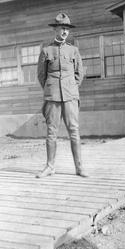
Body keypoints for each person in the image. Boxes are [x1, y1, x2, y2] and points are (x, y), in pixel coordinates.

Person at [36, 12, 87, 178]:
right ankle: (50, 166)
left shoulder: (73, 50)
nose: (65, 31)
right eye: (62, 28)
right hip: (52, 97)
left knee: (74, 130)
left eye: (67, 29)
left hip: (70, 96)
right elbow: (41, 75)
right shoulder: (46, 50)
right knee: (51, 132)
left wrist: (71, 87)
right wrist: (51, 88)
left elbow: (79, 73)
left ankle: (79, 167)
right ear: (55, 30)